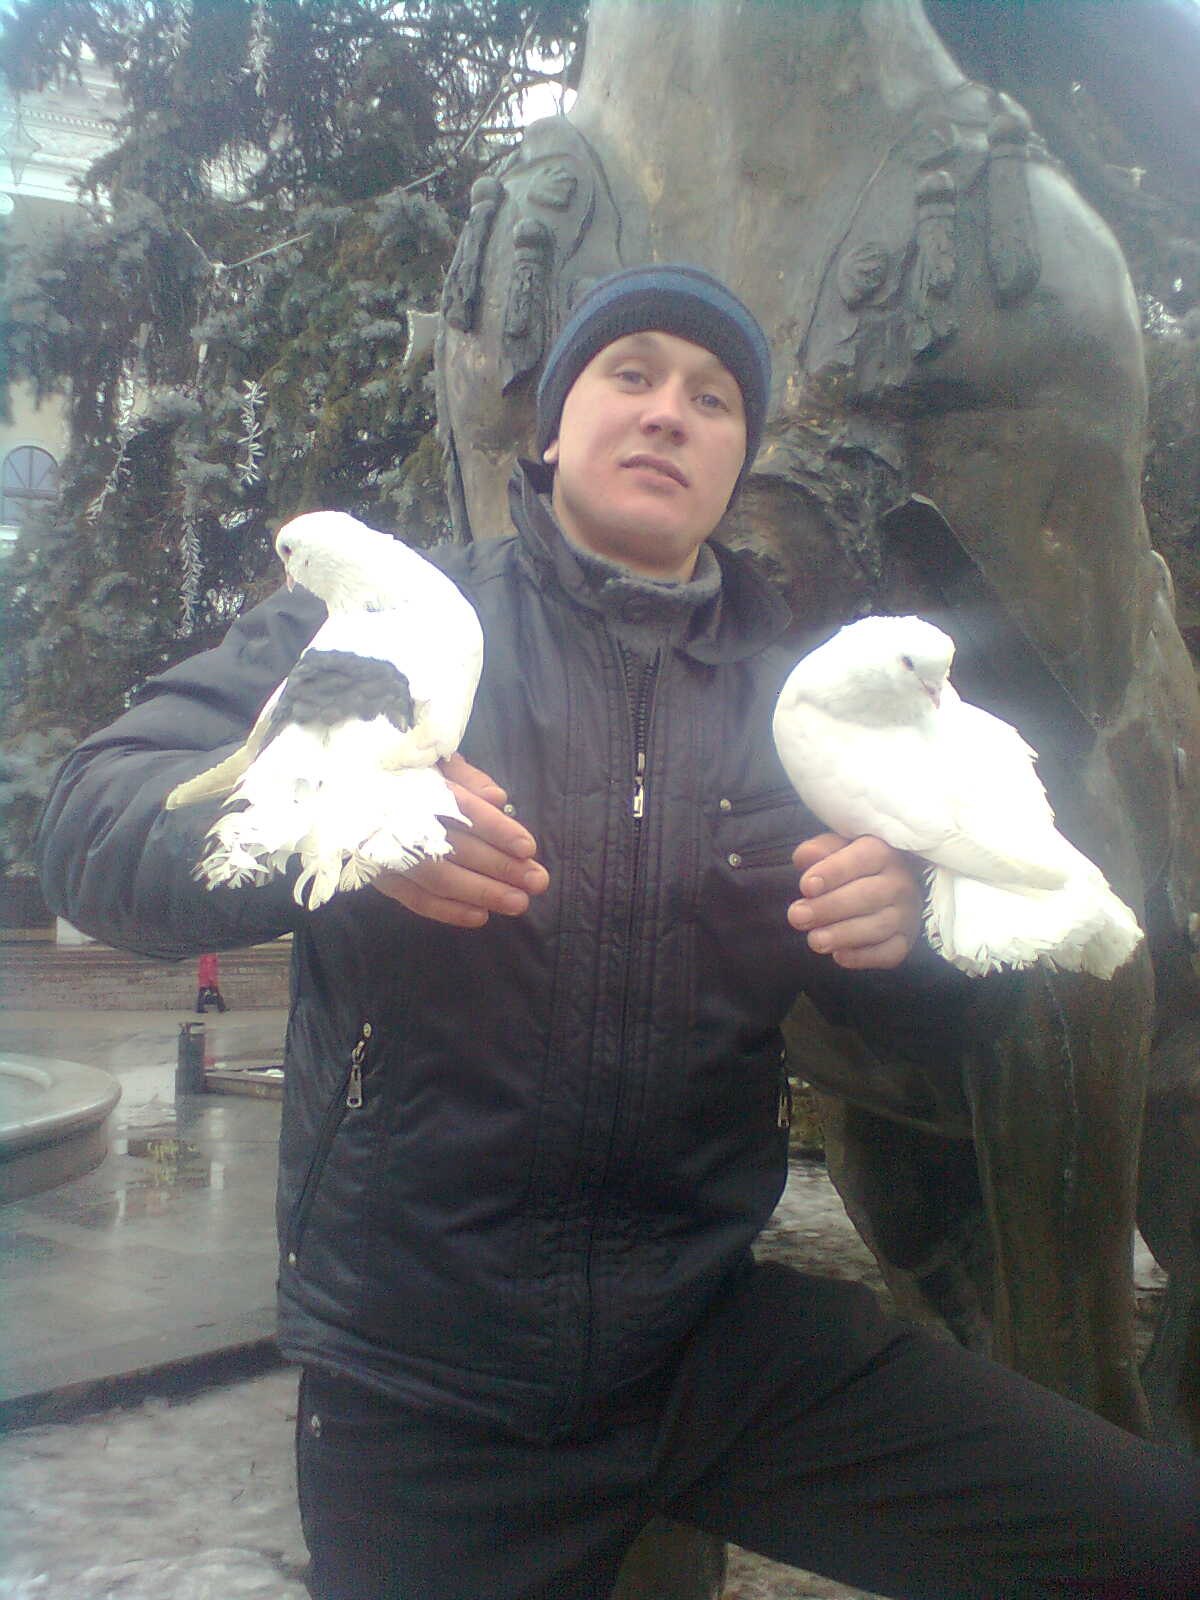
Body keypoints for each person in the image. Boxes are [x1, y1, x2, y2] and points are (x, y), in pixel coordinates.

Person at [39, 265, 1198, 1599]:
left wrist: (920, 933)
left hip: (709, 1342)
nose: (668, 413)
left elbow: (948, 1032)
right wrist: (347, 826)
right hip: (427, 1383)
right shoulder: (398, 625)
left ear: (738, 460)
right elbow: (91, 818)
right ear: (551, 429)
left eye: (713, 399)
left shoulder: (804, 701)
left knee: (1152, 1543)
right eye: (631, 374)